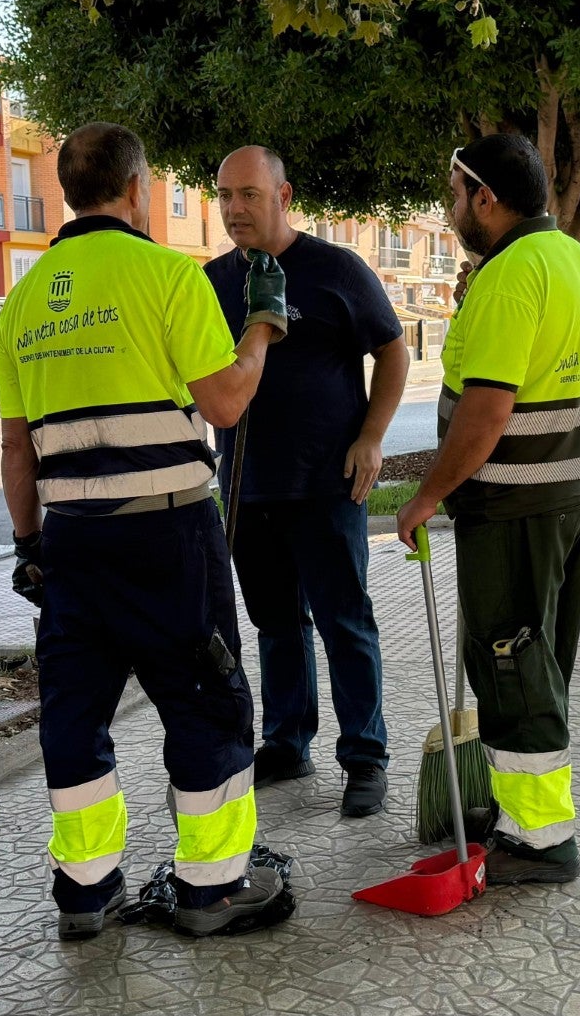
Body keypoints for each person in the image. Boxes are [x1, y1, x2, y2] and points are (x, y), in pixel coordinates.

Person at [0, 123, 293, 941]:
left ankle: (85, 894)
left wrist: (29, 550)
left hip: (71, 545)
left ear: (68, 192)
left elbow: (16, 448)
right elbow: (227, 402)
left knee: (75, 715)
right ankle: (213, 889)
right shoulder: (170, 276)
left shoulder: (20, 303)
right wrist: (263, 327)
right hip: (168, 538)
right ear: (135, 189)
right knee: (207, 703)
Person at [395, 133, 580, 885]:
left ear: (486, 196)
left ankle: (542, 841)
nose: (451, 208)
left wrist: (428, 495)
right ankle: (521, 811)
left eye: (455, 194)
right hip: (571, 493)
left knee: (512, 665)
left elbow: (485, 411)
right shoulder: (574, 261)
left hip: (519, 502)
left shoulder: (513, 275)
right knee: (537, 661)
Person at [205, 145, 410, 817]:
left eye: (248, 195)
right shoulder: (209, 284)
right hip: (245, 484)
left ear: (283, 195)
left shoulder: (335, 270)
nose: (234, 208)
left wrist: (372, 437)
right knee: (275, 624)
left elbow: (392, 349)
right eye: (225, 195)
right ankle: (288, 742)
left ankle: (366, 756)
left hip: (327, 483)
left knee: (344, 621)